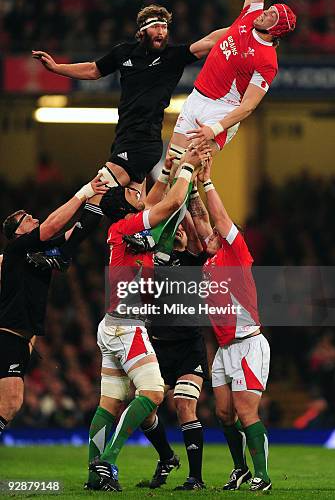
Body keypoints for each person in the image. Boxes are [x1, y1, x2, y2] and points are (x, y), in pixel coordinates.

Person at [32, 5, 227, 263]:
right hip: (123, 138)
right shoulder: (123, 53)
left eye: (165, 27)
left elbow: (210, 41)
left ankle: (65, 251)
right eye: (156, 27)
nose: (162, 32)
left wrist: (244, 26)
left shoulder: (173, 56)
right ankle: (158, 255)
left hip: (143, 142)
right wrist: (57, 68)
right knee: (136, 208)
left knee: (98, 189)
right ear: (142, 31)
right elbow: (93, 69)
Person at [86, 146, 209, 492]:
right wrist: (188, 167)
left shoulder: (122, 229)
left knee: (108, 405)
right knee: (154, 393)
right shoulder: (127, 226)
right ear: (126, 206)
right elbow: (167, 205)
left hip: (111, 324)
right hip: (128, 325)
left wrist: (168, 171)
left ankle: (94, 475)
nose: (138, 191)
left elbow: (153, 201)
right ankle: (108, 462)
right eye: (130, 191)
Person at [170, 0, 323, 154]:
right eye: (269, 8)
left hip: (221, 111)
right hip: (195, 98)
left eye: (272, 15)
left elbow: (249, 106)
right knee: (170, 168)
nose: (265, 11)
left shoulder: (267, 60)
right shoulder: (249, 15)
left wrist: (215, 128)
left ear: (276, 30)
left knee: (187, 170)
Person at [0, 175, 108, 438]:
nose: (34, 220)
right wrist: (84, 191)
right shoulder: (16, 249)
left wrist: (100, 194)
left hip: (21, 338)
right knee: (10, 404)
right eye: (27, 220)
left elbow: (78, 230)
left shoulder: (41, 248)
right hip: (8, 336)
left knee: (10, 404)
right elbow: (51, 225)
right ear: (18, 232)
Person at [196, 158, 271, 492]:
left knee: (244, 410)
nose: (212, 232)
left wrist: (207, 182)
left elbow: (219, 218)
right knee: (223, 413)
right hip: (225, 348)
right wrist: (186, 177)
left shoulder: (236, 254)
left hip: (247, 343)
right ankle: (239, 469)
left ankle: (263, 476)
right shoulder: (209, 262)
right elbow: (198, 219)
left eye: (217, 233)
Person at [139, 210, 209, 491]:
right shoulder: (152, 261)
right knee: (143, 411)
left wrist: (183, 196)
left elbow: (194, 235)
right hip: (159, 346)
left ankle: (196, 479)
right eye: (175, 228)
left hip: (189, 347)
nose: (180, 231)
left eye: (183, 228)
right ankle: (167, 457)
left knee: (184, 404)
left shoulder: (193, 261)